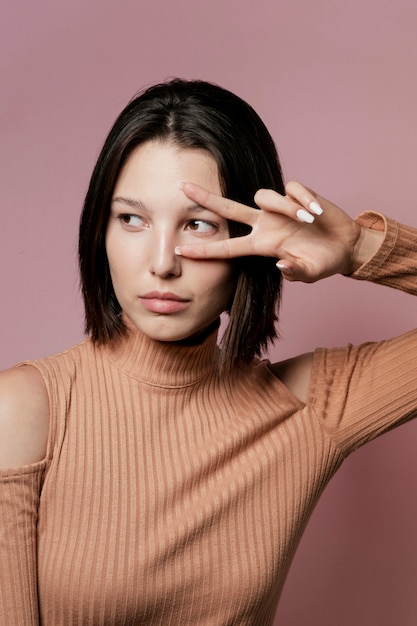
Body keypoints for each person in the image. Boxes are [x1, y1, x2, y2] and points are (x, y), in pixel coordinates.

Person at [0, 78, 416, 626]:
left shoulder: (307, 412)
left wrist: (358, 249)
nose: (162, 262)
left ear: (253, 243)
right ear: (99, 233)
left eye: (198, 224)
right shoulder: (28, 410)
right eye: (132, 219)